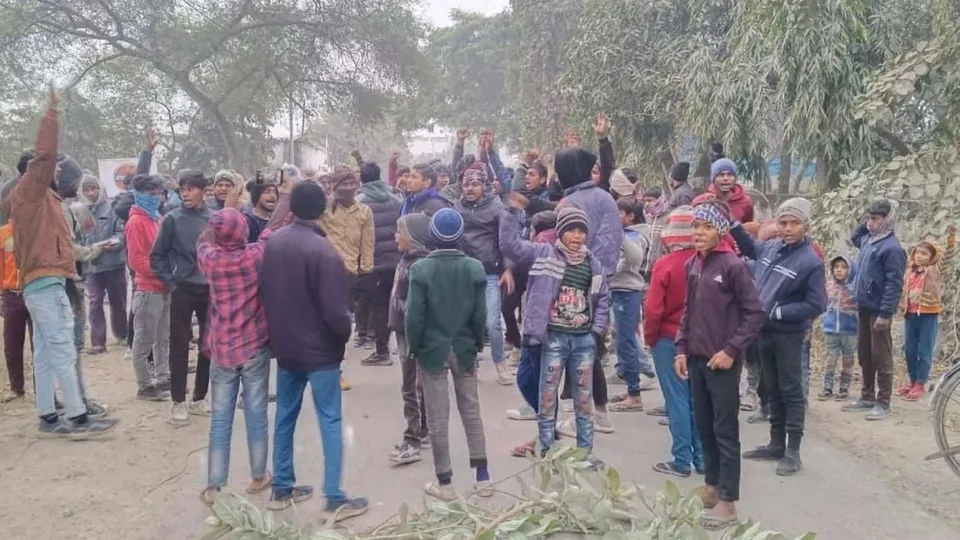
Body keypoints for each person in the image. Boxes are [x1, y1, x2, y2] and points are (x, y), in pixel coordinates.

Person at [3, 88, 117, 437]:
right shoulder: (31, 193)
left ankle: (49, 416)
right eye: (53, 166)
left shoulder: (42, 199)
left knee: (45, 351)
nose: (58, 169)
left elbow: (65, 245)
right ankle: (77, 417)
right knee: (62, 348)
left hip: (42, 282)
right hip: (45, 282)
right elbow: (44, 154)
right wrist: (52, 115)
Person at [261, 182, 368, 520]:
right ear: (322, 209)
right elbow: (336, 312)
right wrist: (344, 336)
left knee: (284, 416)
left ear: (291, 208)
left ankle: (281, 487)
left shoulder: (274, 243)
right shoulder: (325, 252)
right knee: (330, 420)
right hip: (320, 353)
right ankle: (334, 496)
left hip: (286, 347)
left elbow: (266, 293)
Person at [197, 175, 291, 505]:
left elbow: (207, 236)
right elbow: (273, 228)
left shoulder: (208, 259)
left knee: (220, 419)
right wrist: (288, 193)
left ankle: (214, 485)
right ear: (242, 233)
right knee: (255, 414)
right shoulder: (254, 257)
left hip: (221, 349)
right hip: (253, 348)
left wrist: (225, 208)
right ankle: (257, 476)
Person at [674, 200, 764, 529]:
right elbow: (688, 311)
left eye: (706, 227)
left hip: (722, 363)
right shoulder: (694, 265)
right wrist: (681, 349)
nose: (698, 233)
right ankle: (711, 486)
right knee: (705, 426)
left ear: (720, 231)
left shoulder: (733, 266)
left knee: (725, 431)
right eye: (695, 226)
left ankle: (729, 500)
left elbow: (755, 314)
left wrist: (731, 350)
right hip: (696, 358)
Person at [501, 200, 610, 463]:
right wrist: (511, 213)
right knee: (547, 399)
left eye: (581, 231)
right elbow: (510, 246)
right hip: (553, 339)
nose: (577, 236)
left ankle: (585, 453)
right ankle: (547, 451)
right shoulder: (542, 254)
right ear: (560, 231)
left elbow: (603, 298)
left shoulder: (592, 264)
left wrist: (595, 333)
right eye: (571, 230)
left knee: (583, 401)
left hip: (582, 341)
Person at [731, 198, 826, 476]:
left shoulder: (811, 262)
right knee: (771, 387)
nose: (787, 228)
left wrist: (779, 312)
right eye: (783, 222)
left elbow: (816, 304)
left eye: (794, 223)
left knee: (790, 390)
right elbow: (751, 247)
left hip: (788, 335)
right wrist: (732, 223)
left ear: (805, 226)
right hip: (765, 333)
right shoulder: (773, 248)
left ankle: (793, 451)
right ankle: (775, 444)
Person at [405, 208, 492, 500]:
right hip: (464, 348)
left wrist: (413, 348)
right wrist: (476, 343)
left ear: (432, 236)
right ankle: (483, 478)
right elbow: (481, 315)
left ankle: (445, 484)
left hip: (432, 350)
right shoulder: (474, 268)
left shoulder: (421, 270)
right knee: (472, 411)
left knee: (438, 416)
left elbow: (413, 316)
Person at [553, 146, 620, 436]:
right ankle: (599, 410)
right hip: (602, 280)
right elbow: (611, 242)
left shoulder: (568, 202)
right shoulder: (605, 197)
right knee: (591, 346)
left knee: (574, 351)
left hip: (573, 284)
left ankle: (586, 414)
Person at [150, 170, 213, 424]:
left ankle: (199, 397)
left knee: (208, 345)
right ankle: (178, 400)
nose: (185, 193)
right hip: (182, 289)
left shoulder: (214, 219)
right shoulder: (172, 220)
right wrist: (171, 282)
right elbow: (157, 256)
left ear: (203, 191)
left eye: (190, 188)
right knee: (178, 344)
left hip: (209, 290)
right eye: (182, 189)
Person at [645, 206, 704, 477]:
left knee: (676, 399)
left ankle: (681, 459)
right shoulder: (707, 262)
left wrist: (650, 338)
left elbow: (654, 310)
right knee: (698, 399)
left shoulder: (665, 265)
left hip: (669, 339)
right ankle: (702, 458)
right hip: (702, 340)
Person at [843, 200, 907, 420]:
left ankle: (883, 402)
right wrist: (866, 221)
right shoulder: (869, 241)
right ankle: (867, 396)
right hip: (864, 307)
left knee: (882, 356)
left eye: (875, 219)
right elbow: (854, 237)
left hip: (879, 311)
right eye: (868, 218)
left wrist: (885, 314)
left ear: (887, 220)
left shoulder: (892, 248)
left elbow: (894, 284)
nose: (869, 223)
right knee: (865, 354)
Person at [454, 162, 513, 385]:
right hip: (464, 273)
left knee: (492, 322)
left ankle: (500, 362)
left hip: (490, 272)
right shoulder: (456, 208)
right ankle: (470, 364)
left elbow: (505, 241)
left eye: (475, 184)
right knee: (466, 322)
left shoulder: (496, 208)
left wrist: (507, 268)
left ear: (484, 187)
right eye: (466, 184)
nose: (470, 188)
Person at [319, 170, 374, 383]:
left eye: (353, 183)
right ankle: (324, 368)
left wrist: (366, 271)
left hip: (349, 275)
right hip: (323, 273)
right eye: (345, 183)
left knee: (340, 325)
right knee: (322, 323)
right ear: (334, 186)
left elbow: (367, 243)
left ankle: (335, 369)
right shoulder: (323, 209)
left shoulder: (364, 212)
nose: (349, 188)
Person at [387, 213, 432, 464]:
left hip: (413, 334)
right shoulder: (406, 258)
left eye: (400, 232)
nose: (396, 236)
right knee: (417, 385)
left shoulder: (419, 266)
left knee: (411, 386)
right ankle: (422, 430)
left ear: (413, 238)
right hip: (403, 330)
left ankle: (412, 438)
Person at [607, 197, 655, 412]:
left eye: (618, 213)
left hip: (628, 292)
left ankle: (634, 394)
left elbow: (634, 258)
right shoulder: (627, 233)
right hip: (617, 290)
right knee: (620, 340)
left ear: (630, 216)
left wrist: (618, 234)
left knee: (626, 342)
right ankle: (630, 388)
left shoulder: (634, 234)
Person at [127, 173, 172, 401]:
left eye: (158, 194)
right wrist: (162, 274)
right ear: (138, 195)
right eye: (150, 194)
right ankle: (144, 385)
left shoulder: (156, 219)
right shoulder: (136, 222)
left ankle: (164, 377)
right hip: (148, 289)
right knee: (144, 339)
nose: (155, 198)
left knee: (163, 337)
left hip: (163, 287)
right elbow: (137, 261)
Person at [897, 225, 956, 401]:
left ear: (931, 257)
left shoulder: (934, 270)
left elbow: (947, 259)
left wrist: (950, 239)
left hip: (928, 314)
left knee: (924, 350)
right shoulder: (909, 270)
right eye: (917, 253)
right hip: (910, 314)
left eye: (924, 254)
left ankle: (921, 383)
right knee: (909, 349)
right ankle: (912, 380)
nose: (919, 256)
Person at [355, 161, 402, 366]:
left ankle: (382, 351)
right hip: (397, 261)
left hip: (373, 263)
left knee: (379, 306)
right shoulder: (395, 199)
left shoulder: (359, 202)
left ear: (361, 179)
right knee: (399, 303)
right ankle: (405, 349)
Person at [79, 174, 128, 355]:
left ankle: (122, 334)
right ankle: (98, 341)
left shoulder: (113, 209)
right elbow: (77, 238)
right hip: (92, 266)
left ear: (100, 189)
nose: (91, 193)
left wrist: (110, 244)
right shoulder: (80, 212)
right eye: (87, 190)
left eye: (94, 188)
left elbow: (121, 235)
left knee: (118, 302)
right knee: (95, 302)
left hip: (114, 264)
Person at [818, 256, 859, 402]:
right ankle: (827, 387)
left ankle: (844, 387)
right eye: (836, 267)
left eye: (843, 267)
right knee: (831, 358)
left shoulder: (854, 288)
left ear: (850, 270)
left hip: (850, 329)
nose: (839, 270)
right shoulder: (829, 286)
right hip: (830, 328)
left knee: (848, 359)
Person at [0, 215, 31, 401]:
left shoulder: (36, 229)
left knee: (40, 345)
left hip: (36, 292)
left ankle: (44, 388)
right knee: (12, 344)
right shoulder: (3, 233)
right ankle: (16, 388)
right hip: (12, 294)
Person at [706, 159, 755, 223]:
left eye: (729, 174)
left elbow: (747, 228)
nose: (725, 178)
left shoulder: (746, 202)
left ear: (735, 178)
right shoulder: (703, 200)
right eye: (721, 175)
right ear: (714, 179)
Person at [242, 176, 279, 243]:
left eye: (275, 192)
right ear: (257, 195)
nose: (273, 196)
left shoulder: (274, 221)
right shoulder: (246, 221)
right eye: (267, 192)